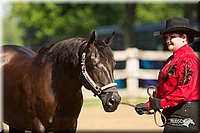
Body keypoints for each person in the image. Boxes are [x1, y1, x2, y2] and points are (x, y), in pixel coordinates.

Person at [135, 17, 200, 133]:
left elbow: (183, 92)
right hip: (173, 113)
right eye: (167, 37)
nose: (168, 41)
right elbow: (165, 88)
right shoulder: (172, 60)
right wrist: (148, 105)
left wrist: (160, 103)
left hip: (185, 114)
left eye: (172, 37)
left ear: (184, 38)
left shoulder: (188, 59)